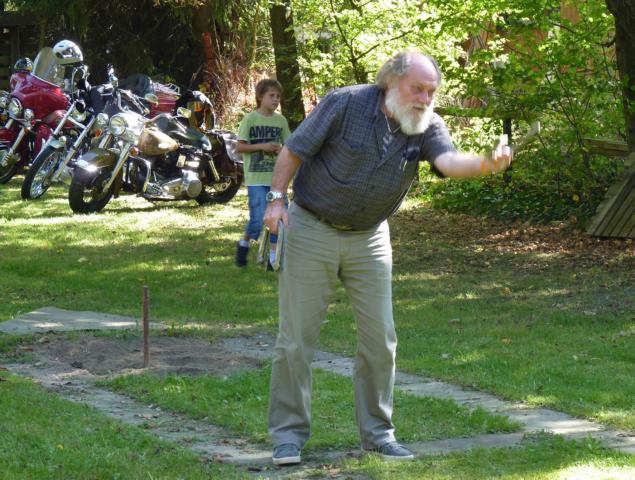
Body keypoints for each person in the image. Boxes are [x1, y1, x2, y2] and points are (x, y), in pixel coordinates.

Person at [263, 49, 512, 465]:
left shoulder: (426, 124)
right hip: (312, 225)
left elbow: (449, 161)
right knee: (296, 340)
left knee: (381, 340)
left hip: (370, 236)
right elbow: (294, 150)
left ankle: (378, 436)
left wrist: (486, 163)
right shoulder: (345, 103)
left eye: (431, 91)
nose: (425, 99)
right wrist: (275, 201)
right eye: (418, 89)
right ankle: (288, 436)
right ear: (391, 82)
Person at [235, 79, 291, 269]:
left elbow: (290, 146)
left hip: (277, 180)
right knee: (258, 219)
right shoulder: (250, 119)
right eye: (271, 95)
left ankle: (273, 259)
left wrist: (281, 150)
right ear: (260, 97)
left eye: (278, 96)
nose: (276, 100)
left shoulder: (281, 121)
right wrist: (262, 146)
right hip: (256, 179)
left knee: (279, 218)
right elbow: (239, 147)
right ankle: (244, 242)